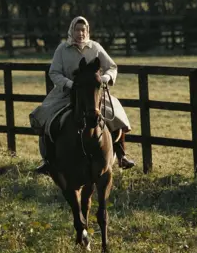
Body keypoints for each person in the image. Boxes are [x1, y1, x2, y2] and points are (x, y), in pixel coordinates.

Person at [30, 16, 135, 174]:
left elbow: (112, 67)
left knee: (116, 114)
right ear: (72, 31)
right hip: (66, 93)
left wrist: (105, 78)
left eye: (83, 30)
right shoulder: (62, 49)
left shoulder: (96, 47)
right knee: (46, 117)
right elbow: (54, 72)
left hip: (93, 93)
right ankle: (48, 160)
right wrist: (69, 84)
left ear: (87, 31)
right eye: (77, 30)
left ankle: (121, 155)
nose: (80, 33)